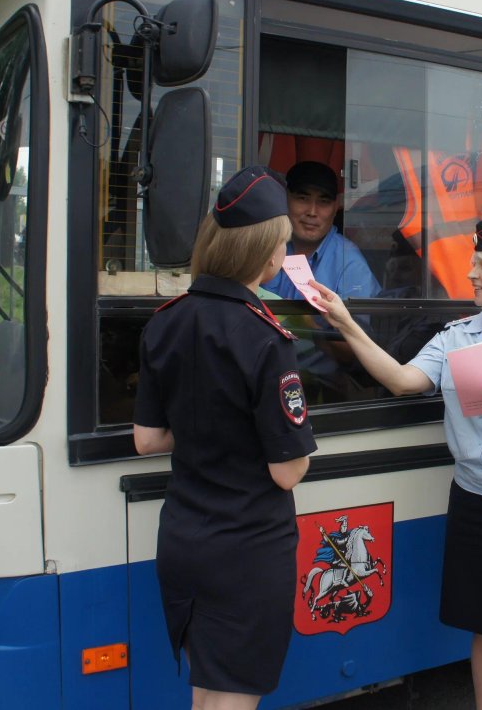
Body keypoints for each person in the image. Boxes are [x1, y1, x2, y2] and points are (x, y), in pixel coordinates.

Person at [311, 216, 482, 710]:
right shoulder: (456, 336)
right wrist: (346, 322)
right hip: (473, 500)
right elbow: (401, 380)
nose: (471, 274)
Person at [133, 166, 316, 710]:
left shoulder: (163, 322)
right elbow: (287, 469)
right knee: (236, 693)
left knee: (206, 689)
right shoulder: (265, 337)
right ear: (263, 255)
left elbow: (147, 438)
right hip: (248, 547)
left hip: (185, 537)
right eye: (282, 246)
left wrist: (206, 429)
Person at [262, 160, 380, 300]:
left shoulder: (350, 264)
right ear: (285, 199)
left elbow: (355, 322)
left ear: (336, 207)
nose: (312, 211)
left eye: (323, 201)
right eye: (303, 198)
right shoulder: (267, 247)